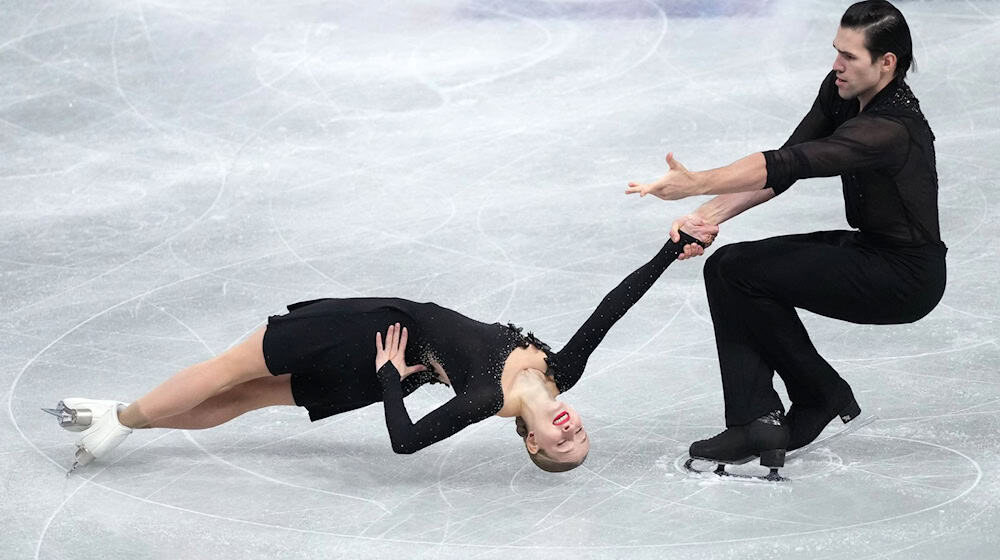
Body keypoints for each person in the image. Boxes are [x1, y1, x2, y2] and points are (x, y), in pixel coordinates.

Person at [48, 225, 715, 474]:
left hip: (376, 342)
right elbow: (615, 306)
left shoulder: (488, 399)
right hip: (386, 365)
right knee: (242, 396)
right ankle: (123, 411)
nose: (573, 434)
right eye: (582, 440)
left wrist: (392, 376)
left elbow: (405, 443)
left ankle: (125, 420)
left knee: (232, 375)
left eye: (562, 448)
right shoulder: (560, 371)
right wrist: (669, 249)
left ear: (533, 443)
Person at [626, 0, 945, 474]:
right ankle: (756, 420)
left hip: (905, 277)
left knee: (745, 275)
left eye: (850, 57)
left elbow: (787, 163)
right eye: (836, 51)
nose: (837, 65)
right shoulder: (842, 92)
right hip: (871, 249)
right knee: (730, 268)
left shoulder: (891, 130)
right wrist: (708, 214)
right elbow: (787, 162)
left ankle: (816, 393)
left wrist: (697, 182)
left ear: (887, 63)